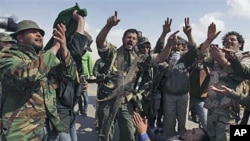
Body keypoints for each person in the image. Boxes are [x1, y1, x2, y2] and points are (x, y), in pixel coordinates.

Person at [95, 11, 180, 141]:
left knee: (129, 133)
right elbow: (100, 42)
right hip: (108, 99)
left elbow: (158, 58)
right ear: (123, 39)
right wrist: (108, 26)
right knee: (104, 134)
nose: (131, 40)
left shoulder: (140, 59)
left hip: (126, 101)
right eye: (128, 37)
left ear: (136, 42)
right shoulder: (113, 53)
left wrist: (168, 45)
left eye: (134, 38)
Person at [0, 19, 72, 140]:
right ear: (20, 38)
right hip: (22, 131)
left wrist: (64, 49)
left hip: (48, 126)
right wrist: (54, 48)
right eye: (33, 32)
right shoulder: (8, 55)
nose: (39, 35)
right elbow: (26, 74)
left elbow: (68, 76)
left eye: (41, 33)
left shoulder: (43, 58)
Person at [199, 23, 250, 141]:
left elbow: (243, 73)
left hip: (230, 111)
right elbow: (201, 55)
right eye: (226, 40)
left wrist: (224, 62)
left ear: (240, 44)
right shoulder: (217, 57)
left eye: (233, 40)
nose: (229, 41)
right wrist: (209, 39)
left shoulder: (245, 58)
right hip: (212, 108)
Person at [160, 17, 198, 138]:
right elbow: (158, 48)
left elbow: (194, 51)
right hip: (169, 95)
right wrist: (164, 33)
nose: (178, 46)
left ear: (183, 46)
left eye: (181, 44)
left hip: (183, 95)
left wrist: (189, 34)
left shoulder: (186, 58)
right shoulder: (165, 56)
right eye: (176, 44)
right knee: (169, 123)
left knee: (183, 124)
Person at [132, 112, 210, 141]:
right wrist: (146, 127)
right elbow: (157, 139)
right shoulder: (177, 136)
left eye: (193, 133)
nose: (189, 130)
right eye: (192, 129)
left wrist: (143, 133)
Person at [76, 50, 94, 116]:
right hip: (77, 76)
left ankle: (85, 110)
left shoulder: (87, 54)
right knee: (78, 95)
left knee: (84, 93)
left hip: (84, 76)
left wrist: (91, 74)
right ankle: (80, 109)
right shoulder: (77, 53)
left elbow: (90, 64)